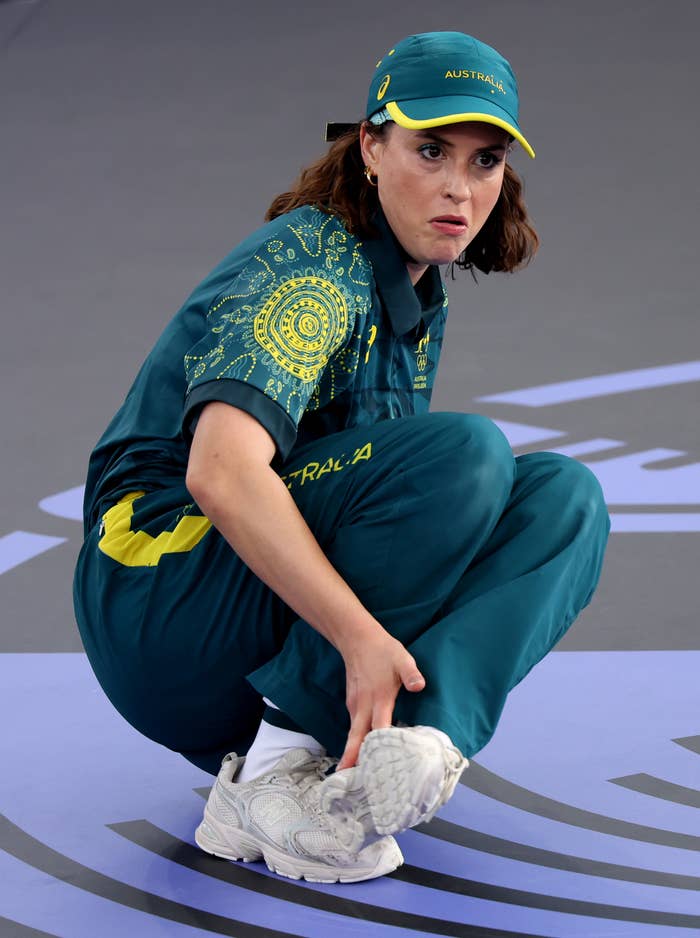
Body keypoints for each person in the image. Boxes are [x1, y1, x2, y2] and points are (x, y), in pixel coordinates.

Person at [73, 31, 610, 884]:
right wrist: (358, 638)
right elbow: (220, 472)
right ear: (368, 143)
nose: (458, 188)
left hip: (246, 621)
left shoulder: (410, 279)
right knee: (463, 455)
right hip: (158, 598)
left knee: (565, 497)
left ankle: (418, 746)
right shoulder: (315, 267)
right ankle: (280, 764)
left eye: (484, 161)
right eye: (430, 149)